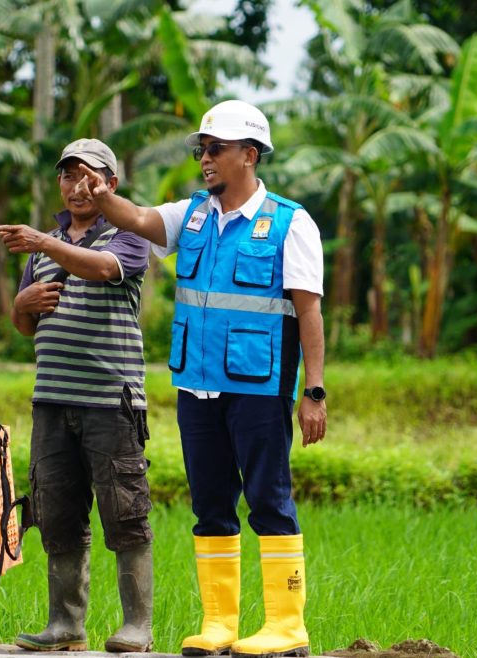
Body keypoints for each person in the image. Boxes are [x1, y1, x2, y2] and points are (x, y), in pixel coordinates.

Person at [76, 100, 328, 658]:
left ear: (250, 154)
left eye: (216, 148)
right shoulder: (190, 216)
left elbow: (309, 312)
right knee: (210, 502)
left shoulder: (291, 222)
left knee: (269, 499)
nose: (205, 158)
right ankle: (220, 625)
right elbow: (136, 218)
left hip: (260, 388)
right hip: (197, 385)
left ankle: (287, 626)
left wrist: (313, 392)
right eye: (202, 149)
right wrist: (102, 197)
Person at [0, 138, 154, 653]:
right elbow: (25, 324)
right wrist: (21, 302)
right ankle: (65, 625)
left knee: (124, 512)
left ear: (111, 184)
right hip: (52, 402)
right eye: (68, 176)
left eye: (89, 177)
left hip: (112, 400)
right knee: (57, 513)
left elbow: (103, 268)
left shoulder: (128, 234)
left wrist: (43, 243)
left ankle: (137, 627)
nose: (77, 186)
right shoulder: (47, 244)